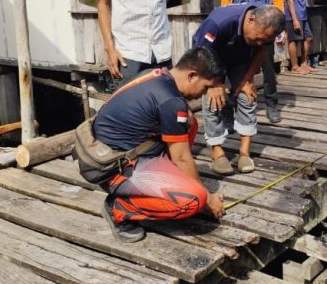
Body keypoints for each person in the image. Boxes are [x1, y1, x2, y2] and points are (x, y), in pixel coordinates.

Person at [92, 47, 226, 243]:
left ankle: (170, 182)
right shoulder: (171, 100)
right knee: (192, 201)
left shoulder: (157, 74)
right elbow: (181, 158)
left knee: (189, 123)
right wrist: (208, 199)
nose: (203, 95)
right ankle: (119, 208)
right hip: (112, 168)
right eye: (206, 87)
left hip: (118, 151)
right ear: (191, 76)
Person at [193, 4, 285, 175]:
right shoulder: (218, 23)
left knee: (247, 95)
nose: (259, 43)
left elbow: (261, 52)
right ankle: (217, 152)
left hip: (239, 58)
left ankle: (245, 152)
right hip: (208, 59)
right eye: (258, 38)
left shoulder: (264, 31)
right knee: (213, 99)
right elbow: (200, 54)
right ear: (251, 20)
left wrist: (247, 80)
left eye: (264, 40)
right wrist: (213, 84)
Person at [220, 0, 284, 124]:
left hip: (264, 24)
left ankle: (272, 104)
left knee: (268, 66)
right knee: (230, 66)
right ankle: (229, 109)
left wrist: (279, 26)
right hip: (239, 23)